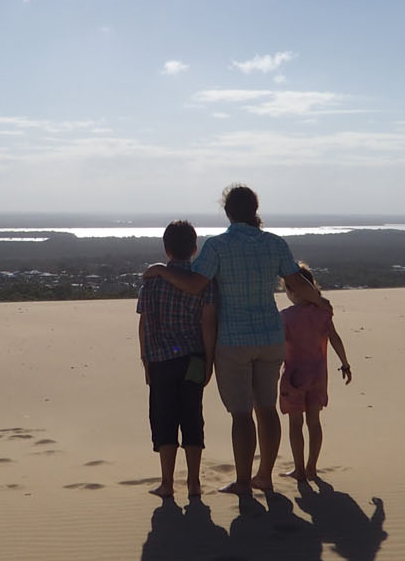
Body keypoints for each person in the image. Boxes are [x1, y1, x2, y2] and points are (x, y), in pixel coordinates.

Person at [143, 184, 324, 494]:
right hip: (270, 336)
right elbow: (296, 281)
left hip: (234, 339)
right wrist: (320, 301)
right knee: (266, 408)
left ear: (227, 212)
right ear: (255, 210)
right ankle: (264, 477)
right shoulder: (275, 243)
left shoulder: (217, 246)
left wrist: (161, 270)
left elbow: (194, 285)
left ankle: (243, 482)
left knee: (241, 414)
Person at [134, 219, 216, 496]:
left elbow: (144, 324)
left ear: (166, 249)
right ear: (194, 249)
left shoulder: (152, 281)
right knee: (192, 417)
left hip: (160, 361)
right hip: (194, 358)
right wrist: (209, 361)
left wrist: (146, 359)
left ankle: (167, 483)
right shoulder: (203, 282)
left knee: (163, 419)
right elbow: (208, 324)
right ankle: (194, 483)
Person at [277, 264, 351, 485]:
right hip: (318, 375)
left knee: (295, 423)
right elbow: (335, 338)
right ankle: (311, 467)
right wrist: (345, 363)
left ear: (291, 290)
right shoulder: (322, 313)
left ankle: (299, 469)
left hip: (294, 377)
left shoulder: (286, 317)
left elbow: (279, 347)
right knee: (314, 422)